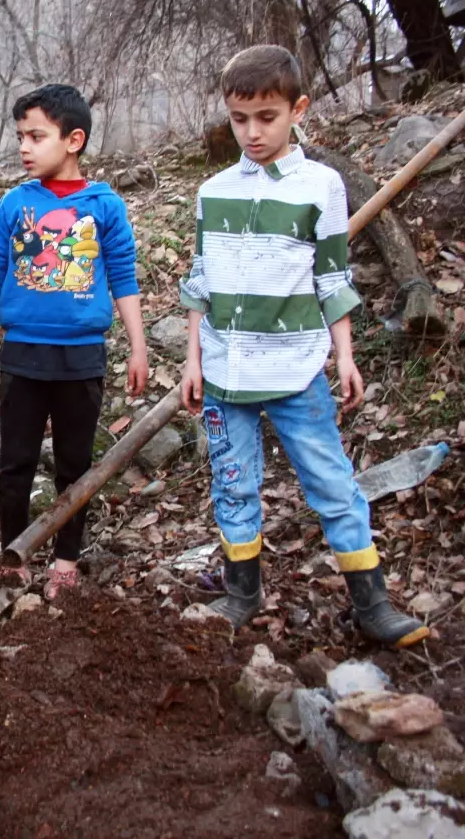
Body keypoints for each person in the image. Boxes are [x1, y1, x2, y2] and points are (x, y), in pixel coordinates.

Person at [178, 44, 428, 648]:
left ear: (297, 109)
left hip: (295, 372)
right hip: (224, 371)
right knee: (233, 481)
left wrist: (344, 356)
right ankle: (242, 594)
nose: (253, 133)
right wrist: (192, 359)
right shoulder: (213, 191)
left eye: (267, 117)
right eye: (240, 120)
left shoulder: (322, 187)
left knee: (332, 484)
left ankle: (373, 606)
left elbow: (332, 279)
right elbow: (200, 278)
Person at [0, 84, 148, 600]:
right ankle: (13, 555)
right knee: (14, 461)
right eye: (21, 136)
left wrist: (138, 346)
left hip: (82, 356)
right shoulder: (14, 205)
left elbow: (124, 277)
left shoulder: (104, 206)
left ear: (73, 140)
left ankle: (65, 558)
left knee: (74, 465)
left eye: (36, 136)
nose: (24, 146)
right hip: (23, 353)